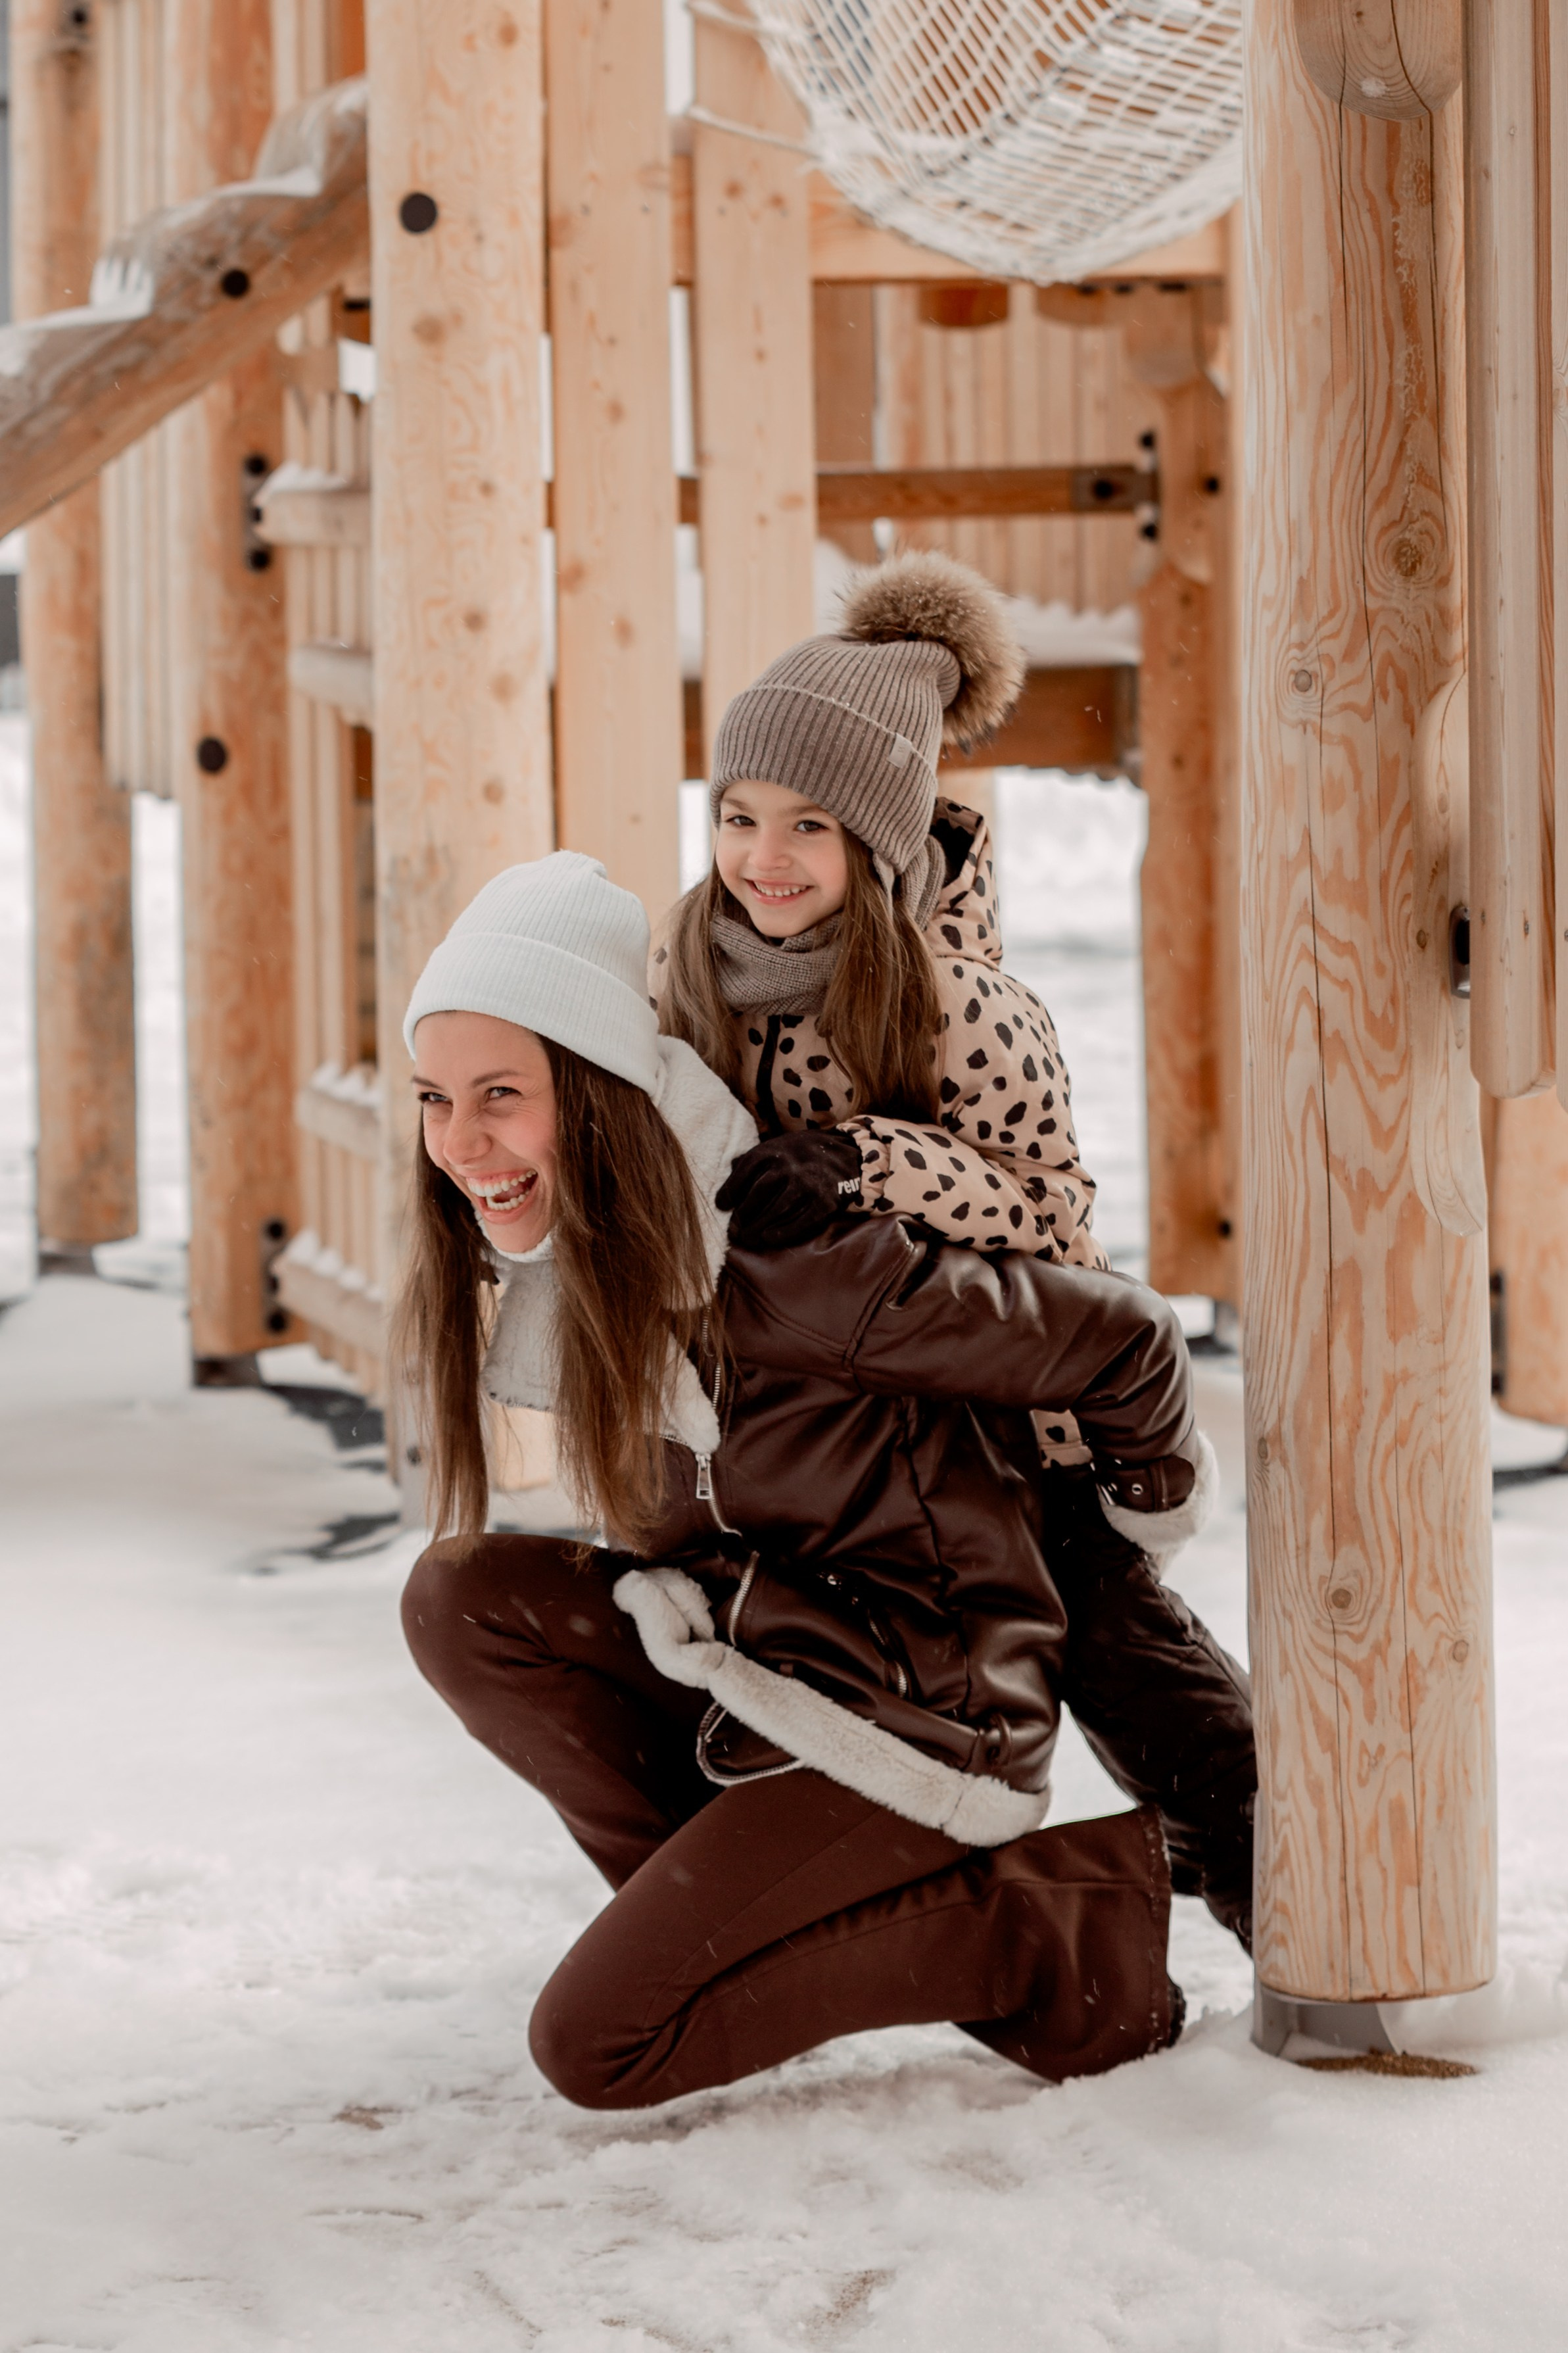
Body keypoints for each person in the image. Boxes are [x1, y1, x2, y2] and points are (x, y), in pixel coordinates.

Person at [395, 851, 1254, 2112]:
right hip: (772, 1669)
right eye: (433, 1097)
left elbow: (1122, 1335)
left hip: (920, 1711)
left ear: (592, 1092)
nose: (459, 1141)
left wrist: (1134, 1520)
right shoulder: (589, 1271)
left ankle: (1043, 1933)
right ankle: (766, 1910)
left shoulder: (789, 1267)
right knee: (460, 1594)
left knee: (600, 2047)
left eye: (499, 1095)